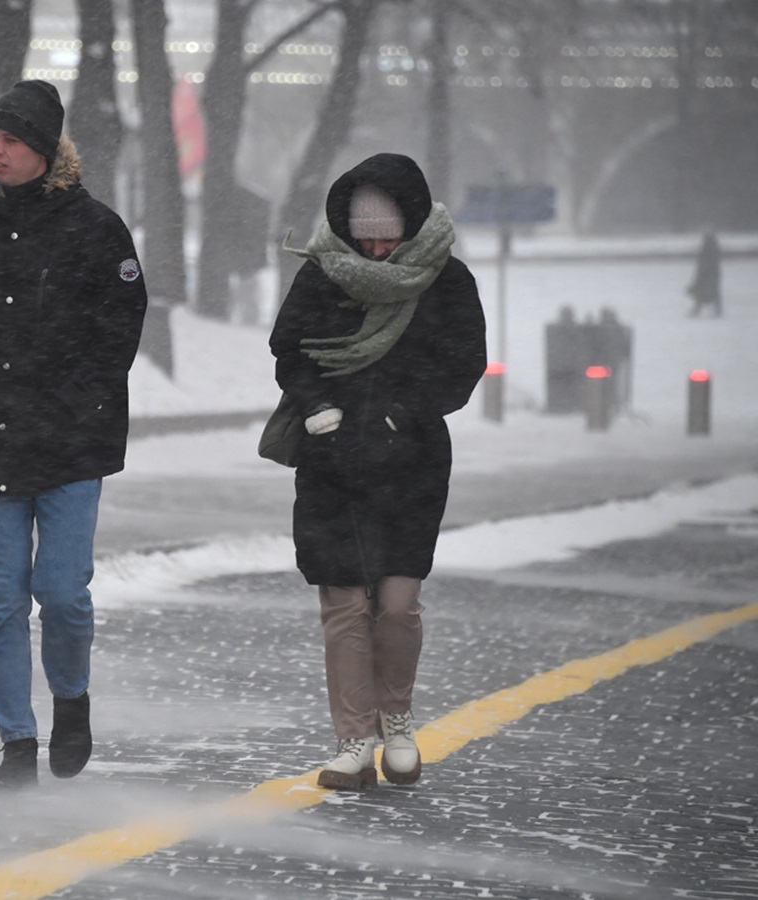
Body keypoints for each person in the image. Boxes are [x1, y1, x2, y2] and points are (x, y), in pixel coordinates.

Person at [0, 80, 148, 788]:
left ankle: (70, 698)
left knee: (64, 592)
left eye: (12, 139)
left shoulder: (97, 228)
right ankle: (17, 743)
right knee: (0, 602)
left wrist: (69, 388)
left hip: (72, 443)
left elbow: (121, 326)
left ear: (47, 151)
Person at [269, 153, 486, 790]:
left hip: (411, 464)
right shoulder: (321, 276)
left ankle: (397, 720)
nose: (376, 245)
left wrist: (402, 411)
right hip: (330, 462)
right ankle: (353, 739)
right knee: (342, 604)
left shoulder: (447, 281)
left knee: (396, 605)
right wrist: (316, 406)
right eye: (364, 233)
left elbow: (463, 364)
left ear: (414, 224)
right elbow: (289, 349)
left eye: (388, 233)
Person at [686, 231, 722, 318]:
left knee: (702, 292)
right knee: (712, 291)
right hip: (712, 273)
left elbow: (703, 262)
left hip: (705, 273)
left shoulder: (706, 249)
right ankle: (717, 310)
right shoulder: (714, 249)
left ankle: (697, 310)